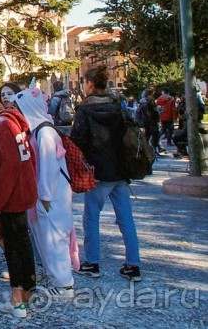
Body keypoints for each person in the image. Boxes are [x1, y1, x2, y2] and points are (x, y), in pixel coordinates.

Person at [71, 64, 142, 282]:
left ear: (89, 84)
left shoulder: (84, 110)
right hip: (120, 170)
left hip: (98, 172)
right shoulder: (117, 107)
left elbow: (77, 141)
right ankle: (133, 264)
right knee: (126, 218)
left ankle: (92, 263)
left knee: (91, 217)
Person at [14, 83, 75, 301]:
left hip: (52, 196)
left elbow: (49, 167)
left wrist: (45, 196)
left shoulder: (45, 133)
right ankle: (57, 279)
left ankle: (64, 284)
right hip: (46, 195)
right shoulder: (41, 130)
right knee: (47, 239)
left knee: (55, 239)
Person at [0, 91, 38, 319]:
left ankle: (17, 299)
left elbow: (8, 167)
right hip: (23, 190)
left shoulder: (0, 125)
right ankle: (28, 290)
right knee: (21, 242)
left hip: (12, 194)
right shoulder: (13, 121)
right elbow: (29, 157)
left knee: (12, 244)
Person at [138, 88, 161, 154]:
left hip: (146, 121)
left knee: (147, 135)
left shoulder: (143, 101)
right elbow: (151, 112)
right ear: (149, 94)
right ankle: (152, 149)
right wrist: (158, 110)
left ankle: (145, 149)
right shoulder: (150, 101)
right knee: (155, 135)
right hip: (151, 121)